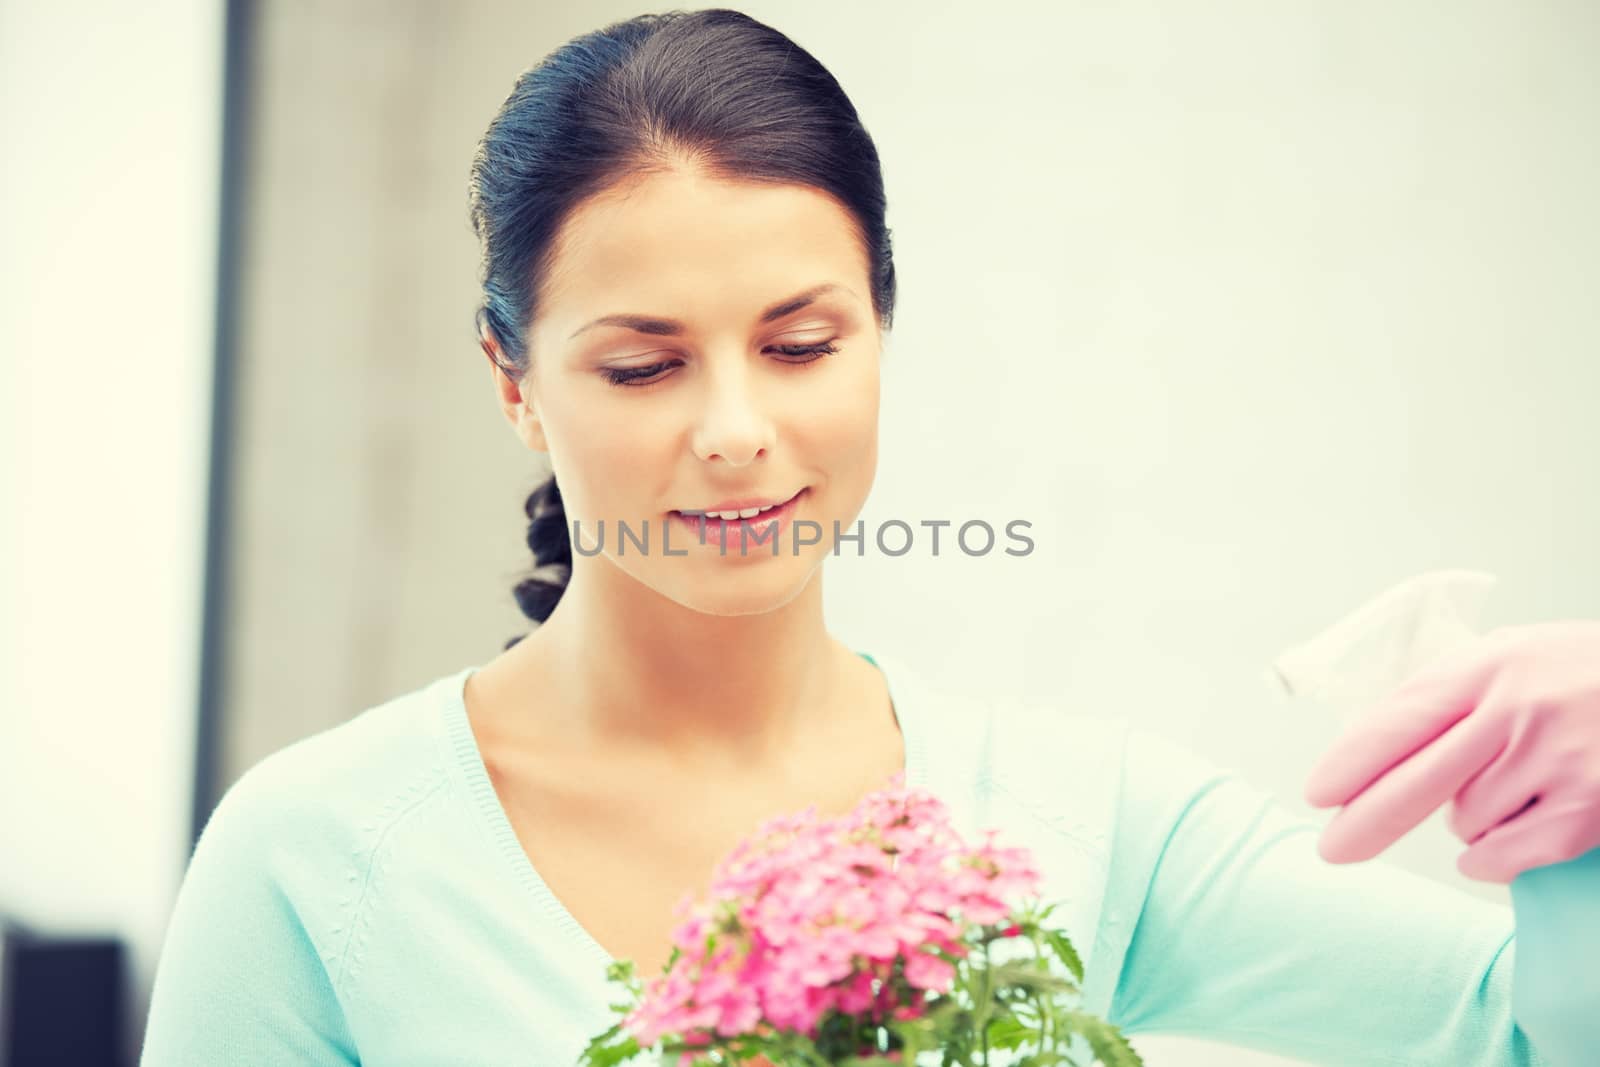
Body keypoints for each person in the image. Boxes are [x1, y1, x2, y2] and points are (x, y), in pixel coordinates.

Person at [140, 10, 1587, 1065]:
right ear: (512, 383)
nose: (732, 430)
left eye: (801, 343)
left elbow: (1522, 1026)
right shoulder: (317, 861)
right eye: (643, 366)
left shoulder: (1084, 820)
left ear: (879, 331)